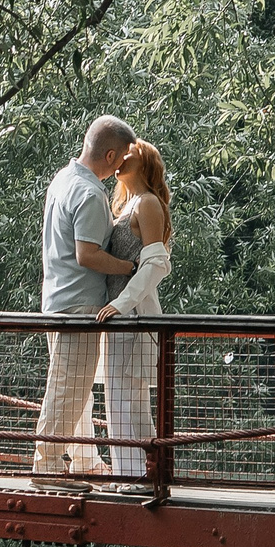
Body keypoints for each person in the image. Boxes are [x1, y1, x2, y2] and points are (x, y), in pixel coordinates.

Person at [34, 116, 135, 476]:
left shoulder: (64, 179)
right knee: (68, 390)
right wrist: (128, 268)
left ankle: (84, 460)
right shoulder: (91, 194)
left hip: (57, 299)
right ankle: (46, 467)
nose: (123, 165)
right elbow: (87, 254)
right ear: (110, 155)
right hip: (78, 305)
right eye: (122, 158)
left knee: (78, 389)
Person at [96, 139, 174, 478]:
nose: (121, 156)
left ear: (144, 163)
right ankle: (132, 474)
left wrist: (121, 303)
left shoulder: (148, 204)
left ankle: (137, 476)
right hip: (117, 316)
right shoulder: (127, 206)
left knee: (129, 397)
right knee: (119, 397)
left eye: (130, 152)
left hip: (135, 315)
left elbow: (156, 263)